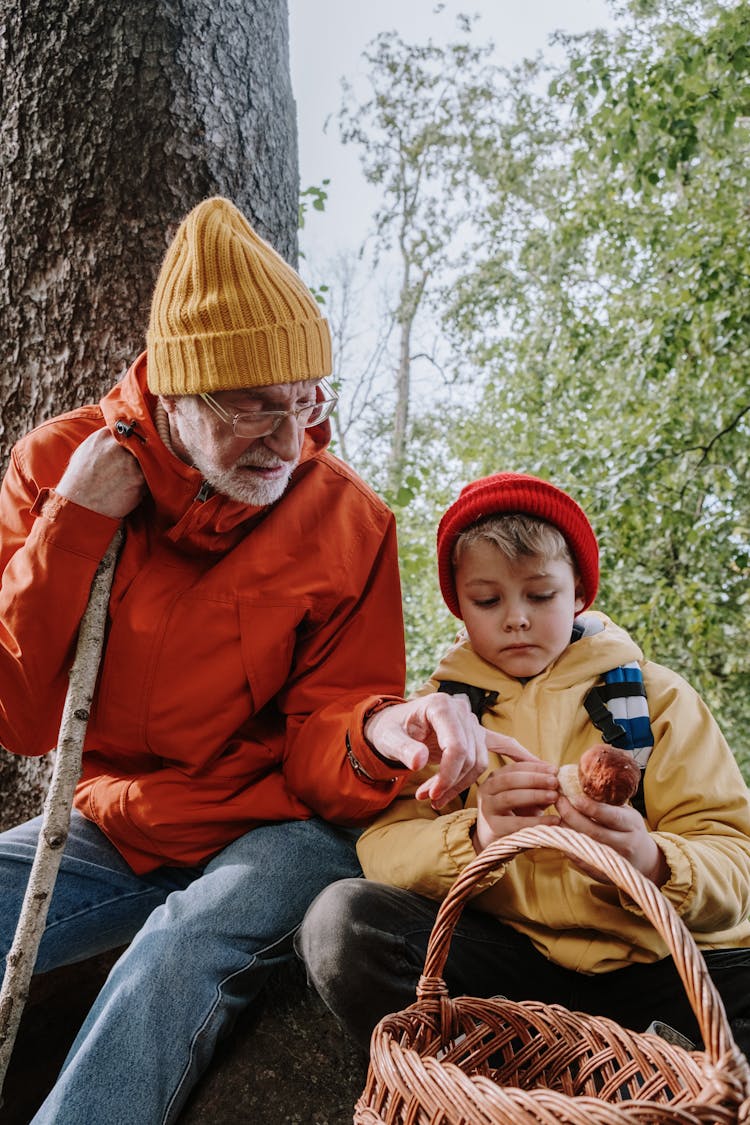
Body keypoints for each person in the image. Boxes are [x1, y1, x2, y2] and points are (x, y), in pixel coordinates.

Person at [0, 197, 490, 1125]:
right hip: (124, 820)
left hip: (279, 822)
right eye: (257, 412)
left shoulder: (348, 518)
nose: (291, 441)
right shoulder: (59, 467)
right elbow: (20, 718)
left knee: (177, 946)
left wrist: (381, 729)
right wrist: (73, 526)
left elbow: (327, 733)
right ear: (177, 395)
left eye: (307, 404)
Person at [298, 471, 750, 1057]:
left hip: (659, 965)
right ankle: (476, 1084)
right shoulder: (442, 715)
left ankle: (636, 1067)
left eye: (541, 595)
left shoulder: (658, 699)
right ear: (460, 606)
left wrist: (653, 861)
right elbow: (382, 850)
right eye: (488, 600)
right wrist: (477, 837)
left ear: (580, 593)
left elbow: (735, 858)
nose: (516, 618)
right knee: (343, 922)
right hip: (510, 966)